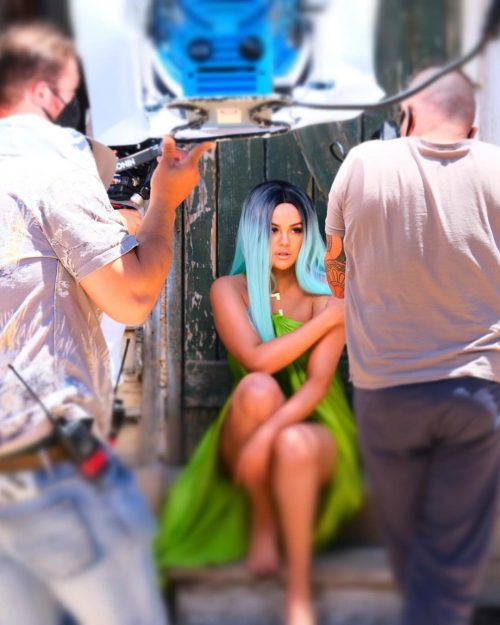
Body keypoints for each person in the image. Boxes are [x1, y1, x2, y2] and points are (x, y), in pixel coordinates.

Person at [0, 21, 213, 625]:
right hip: (48, 475)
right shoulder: (51, 162)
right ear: (44, 91)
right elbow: (133, 298)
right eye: (70, 95)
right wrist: (164, 202)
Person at [324, 67, 500, 625]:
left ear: (407, 115)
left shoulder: (362, 164)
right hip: (477, 391)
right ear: (472, 127)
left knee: (409, 551)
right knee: (448, 558)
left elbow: (335, 274)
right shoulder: (497, 168)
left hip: (386, 391)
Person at [155, 180, 363, 625]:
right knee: (257, 388)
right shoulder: (229, 290)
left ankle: (298, 593)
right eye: (272, 229)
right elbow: (256, 360)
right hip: (248, 422)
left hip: (316, 422)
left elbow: (317, 384)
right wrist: (324, 322)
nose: (285, 241)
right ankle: (263, 518)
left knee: (292, 444)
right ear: (254, 232)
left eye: (296, 230)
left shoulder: (328, 293)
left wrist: (269, 436)